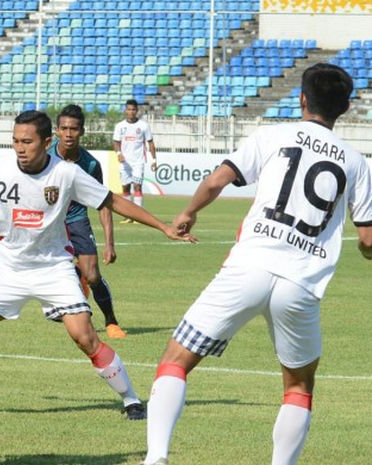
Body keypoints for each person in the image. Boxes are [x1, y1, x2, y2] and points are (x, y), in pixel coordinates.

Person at [141, 64, 372, 465]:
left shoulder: (272, 135)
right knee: (299, 386)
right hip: (301, 284)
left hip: (248, 266)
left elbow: (217, 181)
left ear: (301, 98)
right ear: (346, 107)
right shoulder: (357, 162)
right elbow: (368, 240)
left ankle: (156, 457)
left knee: (175, 361)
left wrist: (189, 212)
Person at [0, 110, 196, 421]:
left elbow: (112, 201)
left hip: (53, 267)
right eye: (15, 141)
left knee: (84, 336)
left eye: (27, 141)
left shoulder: (66, 173)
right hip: (9, 266)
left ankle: (131, 399)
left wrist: (164, 226)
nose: (20, 148)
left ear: (46, 142)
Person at [49, 104, 125, 339]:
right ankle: (66, 295)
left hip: (77, 219)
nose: (69, 134)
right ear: (57, 131)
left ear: (82, 131)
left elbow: (103, 202)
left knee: (92, 275)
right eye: (64, 128)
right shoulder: (45, 156)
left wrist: (109, 243)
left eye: (74, 129)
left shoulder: (91, 165)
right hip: (50, 222)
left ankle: (111, 321)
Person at [112, 99, 157, 223]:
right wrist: (119, 153)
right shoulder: (120, 126)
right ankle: (128, 215)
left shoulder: (143, 126)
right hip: (125, 163)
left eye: (133, 110)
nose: (131, 112)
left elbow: (150, 143)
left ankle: (139, 216)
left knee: (137, 187)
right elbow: (116, 142)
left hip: (138, 162)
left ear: (137, 111)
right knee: (125, 188)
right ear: (125, 110)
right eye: (128, 109)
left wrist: (154, 160)